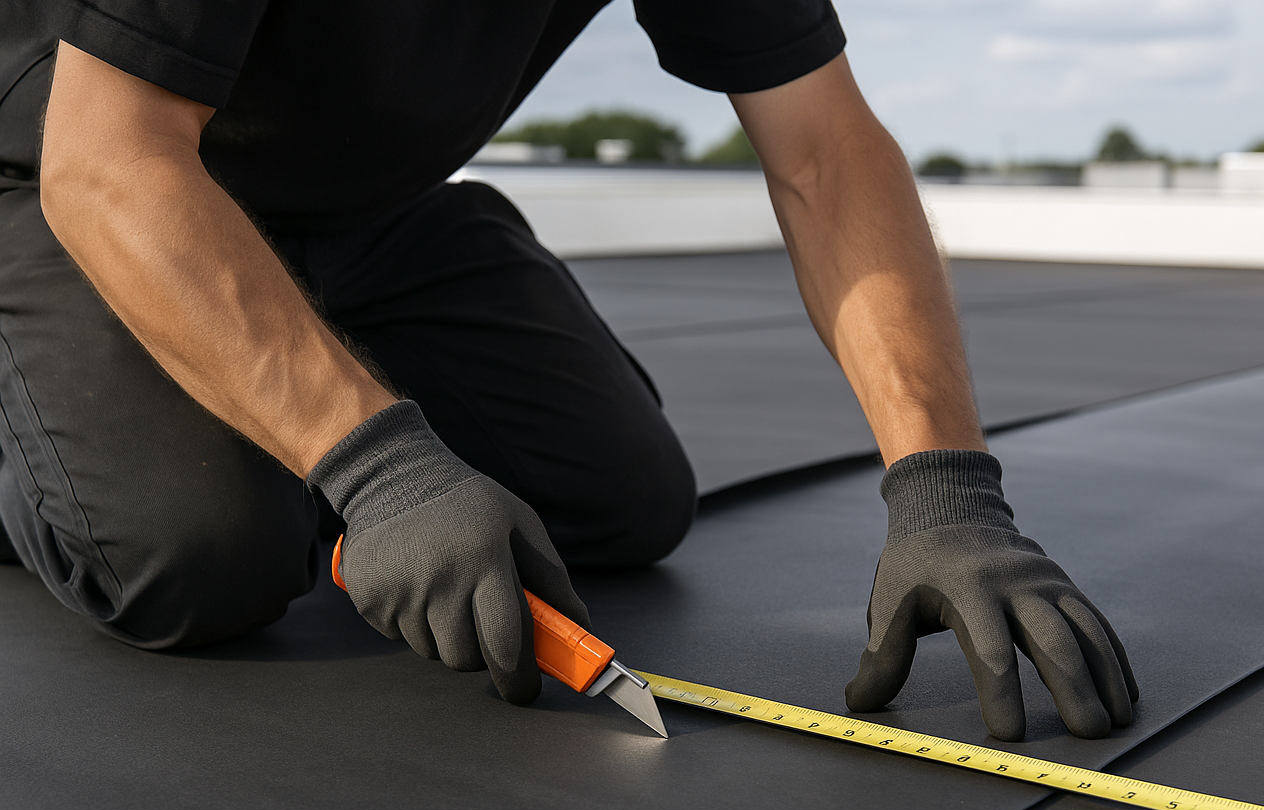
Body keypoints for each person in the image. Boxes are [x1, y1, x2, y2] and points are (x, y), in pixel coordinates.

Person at [0, 1, 1136, 741]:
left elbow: (824, 146)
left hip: (371, 213)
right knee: (203, 559)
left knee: (622, 498)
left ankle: (278, 365)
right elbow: (107, 157)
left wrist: (947, 489)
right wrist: (383, 473)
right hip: (73, 183)